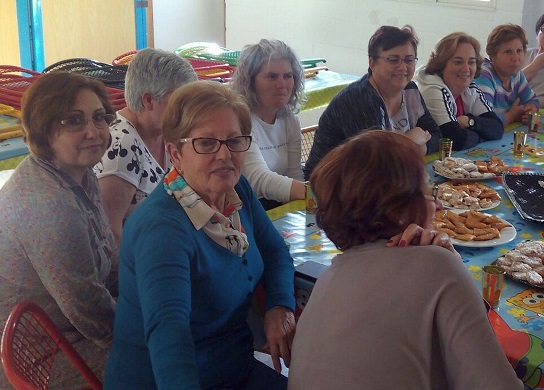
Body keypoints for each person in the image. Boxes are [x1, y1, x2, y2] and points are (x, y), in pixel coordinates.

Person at [290, 130, 522, 389]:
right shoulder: (436, 265)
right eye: (425, 192)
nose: (438, 207)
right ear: (398, 211)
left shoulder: (326, 280)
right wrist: (451, 264)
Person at [104, 81, 296, 389]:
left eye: (235, 141)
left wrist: (280, 305)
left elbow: (275, 251)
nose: (224, 155)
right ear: (175, 153)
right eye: (206, 143)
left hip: (233, 368)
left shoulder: (236, 190)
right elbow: (169, 334)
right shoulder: (162, 229)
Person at [0, 72, 118, 388]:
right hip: (44, 354)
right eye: (73, 121)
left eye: (99, 118)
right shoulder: (48, 204)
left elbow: (108, 260)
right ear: (44, 130)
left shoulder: (80, 173)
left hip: (70, 329)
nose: (94, 131)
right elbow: (90, 313)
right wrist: (148, 331)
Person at [303, 25, 441, 178]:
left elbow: (437, 135)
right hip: (329, 187)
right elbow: (378, 163)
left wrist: (418, 148)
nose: (403, 67)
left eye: (409, 60)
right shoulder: (359, 99)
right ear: (372, 63)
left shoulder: (410, 90)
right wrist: (409, 141)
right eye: (393, 60)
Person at [95, 48, 197, 245]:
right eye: (179, 103)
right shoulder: (120, 147)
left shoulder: (165, 133)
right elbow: (110, 235)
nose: (187, 112)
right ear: (149, 100)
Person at [230, 39, 307, 210]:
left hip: (276, 206)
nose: (282, 84)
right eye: (272, 77)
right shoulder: (239, 120)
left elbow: (294, 173)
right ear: (250, 82)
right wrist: (314, 193)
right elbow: (257, 179)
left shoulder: (289, 119)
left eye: (288, 76)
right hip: (246, 209)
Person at [414, 32, 504, 150]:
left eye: (471, 62)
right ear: (441, 64)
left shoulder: (470, 88)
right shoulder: (432, 90)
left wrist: (469, 121)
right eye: (458, 62)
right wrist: (481, 133)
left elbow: (497, 128)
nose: (466, 69)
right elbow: (455, 141)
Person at [474, 23, 539, 125]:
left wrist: (530, 109)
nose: (516, 58)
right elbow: (485, 122)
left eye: (519, 51)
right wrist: (511, 116)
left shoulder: (516, 74)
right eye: (508, 52)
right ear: (493, 55)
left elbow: (532, 100)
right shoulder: (484, 75)